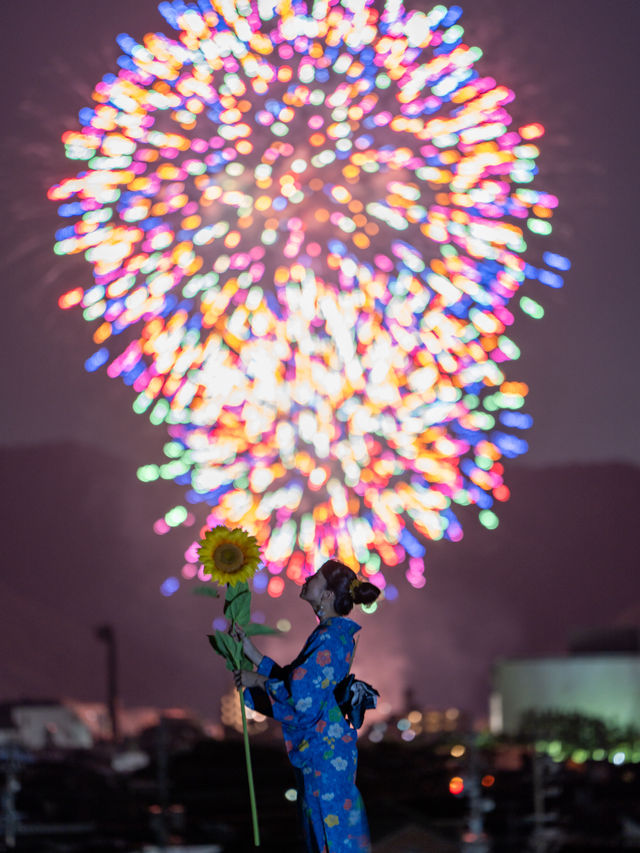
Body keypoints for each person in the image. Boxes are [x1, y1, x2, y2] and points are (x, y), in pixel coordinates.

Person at [231, 559, 381, 852]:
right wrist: (251, 652)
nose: (306, 579)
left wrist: (257, 681)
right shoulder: (331, 635)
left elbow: (302, 694)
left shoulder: (329, 637)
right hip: (325, 749)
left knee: (328, 837)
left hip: (324, 752)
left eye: (314, 577)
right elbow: (298, 679)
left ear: (326, 596)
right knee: (326, 834)